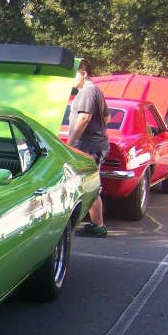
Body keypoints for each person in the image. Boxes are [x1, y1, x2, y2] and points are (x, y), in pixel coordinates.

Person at [68, 59, 110, 237]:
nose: (70, 79)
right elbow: (107, 118)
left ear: (84, 73)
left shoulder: (87, 91)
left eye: (74, 74)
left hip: (89, 147)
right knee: (88, 184)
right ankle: (96, 224)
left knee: (90, 186)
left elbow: (84, 118)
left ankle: (98, 226)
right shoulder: (95, 90)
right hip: (93, 145)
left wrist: (69, 144)